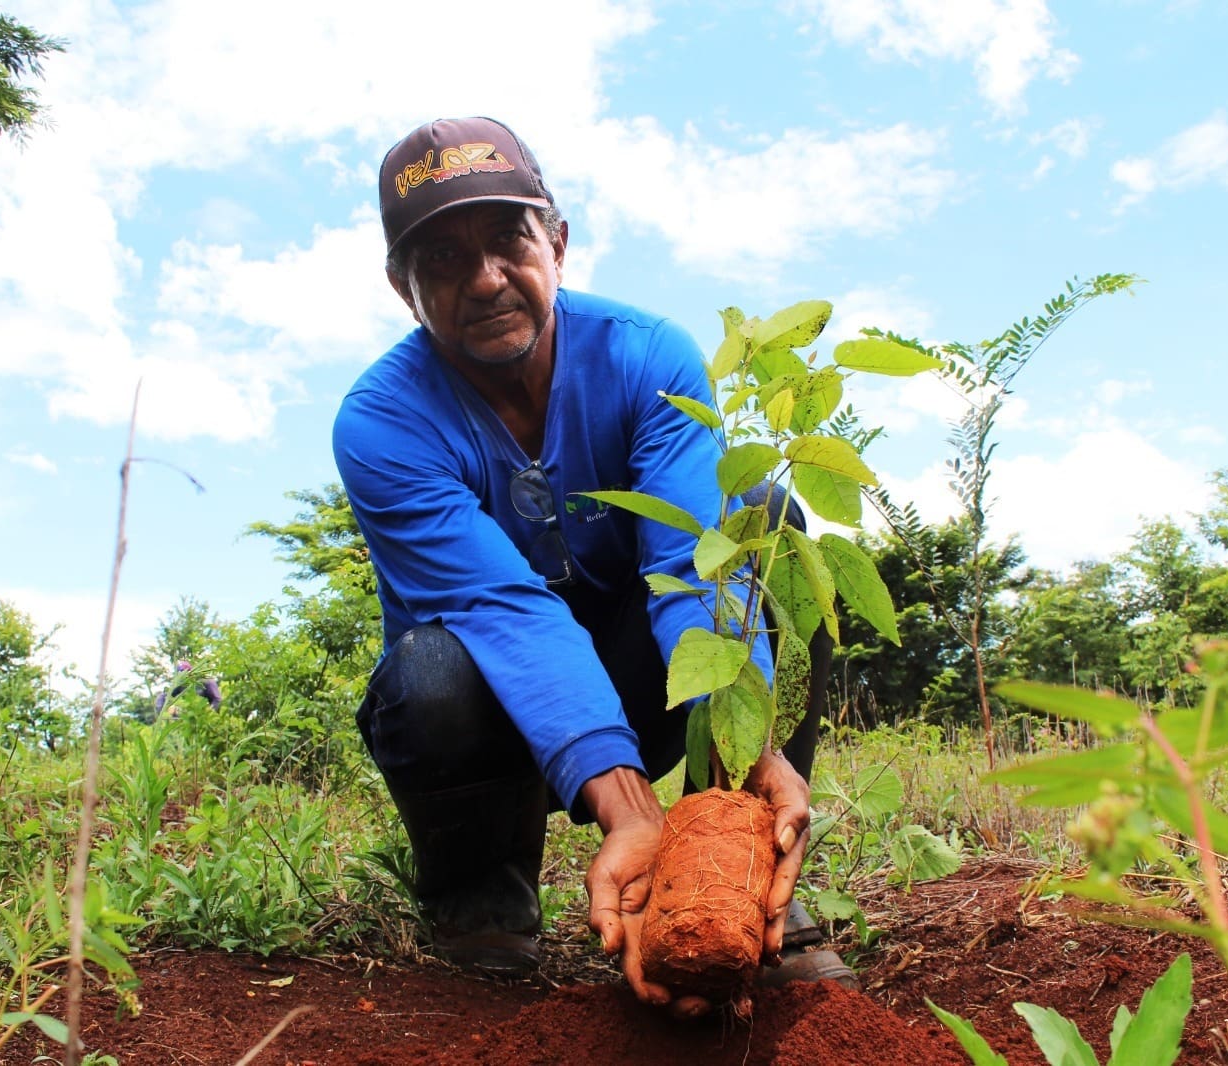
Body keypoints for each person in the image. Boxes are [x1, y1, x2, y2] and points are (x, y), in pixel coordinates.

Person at [332, 116, 852, 1016]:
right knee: (431, 669)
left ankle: (735, 859)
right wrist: (627, 806)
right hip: (491, 721)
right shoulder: (382, 422)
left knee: (762, 522)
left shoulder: (649, 357)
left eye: (508, 239)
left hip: (646, 676)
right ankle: (483, 895)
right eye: (443, 259)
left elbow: (694, 565)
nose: (486, 278)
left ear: (558, 243)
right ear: (401, 287)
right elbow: (500, 608)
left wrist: (750, 744)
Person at [154, 659, 223, 719]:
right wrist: (164, 708)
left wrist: (209, 712)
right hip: (187, 716)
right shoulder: (181, 684)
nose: (185, 677)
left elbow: (217, 699)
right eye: (181, 674)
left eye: (186, 673)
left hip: (206, 715)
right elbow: (165, 696)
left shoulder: (206, 681)